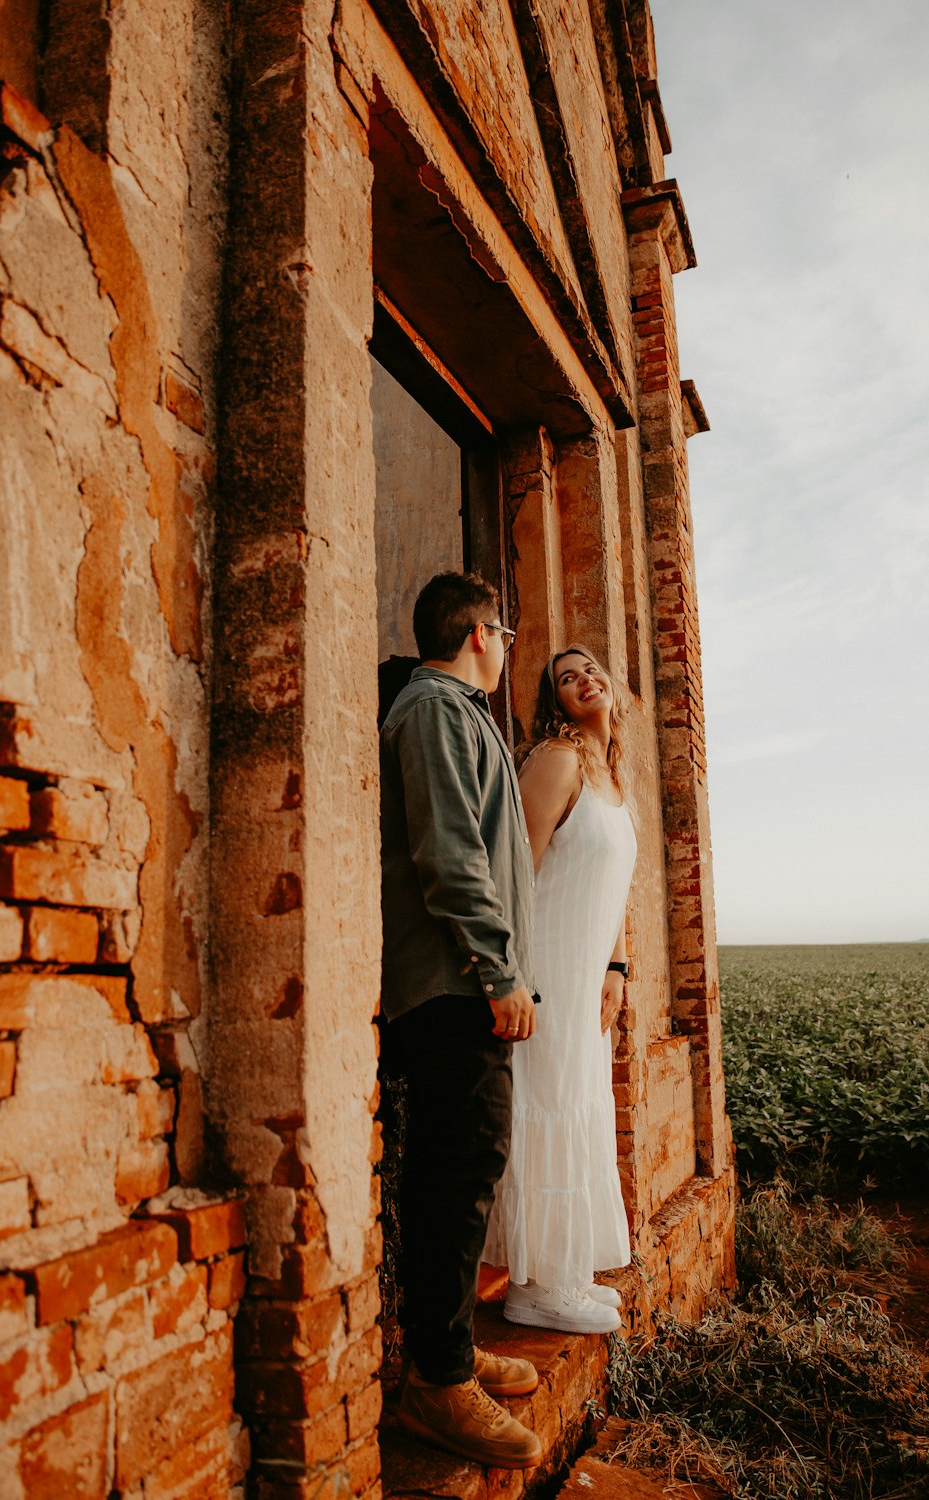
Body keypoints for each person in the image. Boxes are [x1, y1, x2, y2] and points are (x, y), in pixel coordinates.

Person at [380, 572, 543, 1469]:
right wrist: (499, 970)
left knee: (461, 1168)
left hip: (464, 980)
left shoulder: (452, 712)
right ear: (479, 632)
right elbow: (449, 857)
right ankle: (436, 1385)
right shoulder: (436, 710)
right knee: (458, 1169)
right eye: (505, 631)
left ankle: (441, 1348)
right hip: (455, 983)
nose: (510, 645)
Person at [484, 646, 636, 1335]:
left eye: (591, 668)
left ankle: (567, 1271)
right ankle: (535, 1286)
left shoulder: (611, 778)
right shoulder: (557, 759)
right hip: (544, 967)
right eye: (566, 676)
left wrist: (617, 966)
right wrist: (509, 973)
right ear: (555, 700)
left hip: (585, 974)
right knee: (547, 1105)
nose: (585, 679)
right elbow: (517, 866)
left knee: (577, 1103)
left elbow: (612, 888)